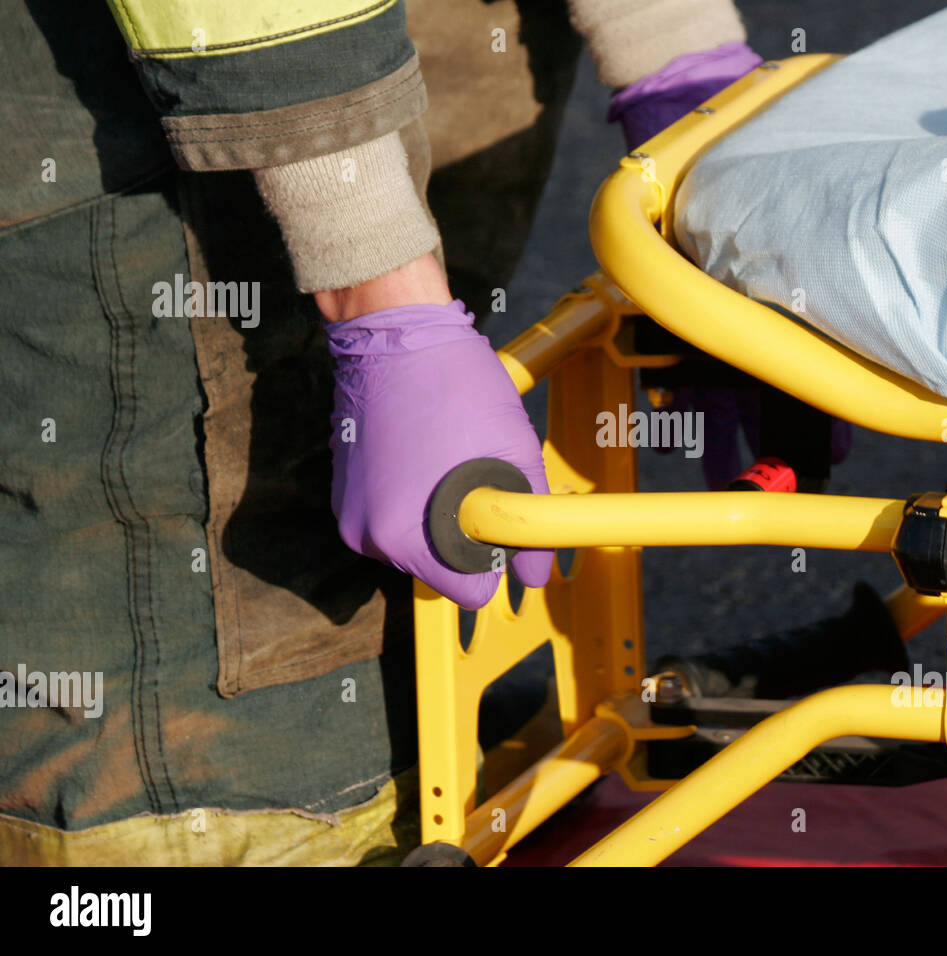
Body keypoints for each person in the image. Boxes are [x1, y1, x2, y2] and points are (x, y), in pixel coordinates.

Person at [0, 0, 760, 864]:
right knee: (218, 658)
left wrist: (678, 62)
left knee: (397, 494)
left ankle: (407, 727)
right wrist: (376, 287)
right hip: (175, 74)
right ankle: (221, 811)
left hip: (409, 51)